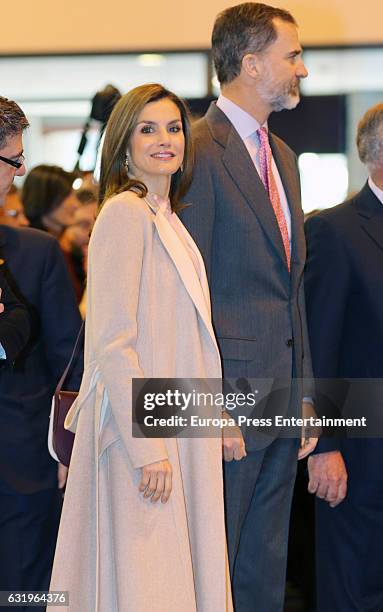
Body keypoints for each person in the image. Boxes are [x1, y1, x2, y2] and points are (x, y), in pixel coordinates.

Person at [50, 83, 233, 612]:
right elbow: (112, 342)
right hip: (143, 436)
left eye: (173, 127)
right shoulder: (124, 214)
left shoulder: (167, 218)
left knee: (172, 581)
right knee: (149, 587)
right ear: (123, 144)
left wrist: (215, 417)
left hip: (176, 425)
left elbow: (187, 341)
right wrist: (147, 445)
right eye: (146, 128)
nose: (164, 139)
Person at [180, 4, 316, 611]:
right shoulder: (195, 149)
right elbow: (187, 297)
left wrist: (308, 397)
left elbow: (292, 289)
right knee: (215, 569)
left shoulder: (282, 156)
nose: (302, 70)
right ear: (251, 62)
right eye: (292, 56)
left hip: (282, 400)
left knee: (264, 568)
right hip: (227, 404)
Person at [0, 96, 82, 611]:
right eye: (13, 159)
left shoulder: (36, 252)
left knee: (28, 596)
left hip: (25, 467)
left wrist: (67, 450)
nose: (22, 170)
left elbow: (69, 359)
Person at [305, 102, 383, 612]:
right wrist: (323, 446)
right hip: (361, 449)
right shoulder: (336, 229)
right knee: (354, 588)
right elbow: (319, 344)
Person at [22, 164, 79, 237]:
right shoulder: (31, 242)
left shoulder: (65, 240)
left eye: (74, 195)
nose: (76, 204)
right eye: (66, 197)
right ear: (43, 199)